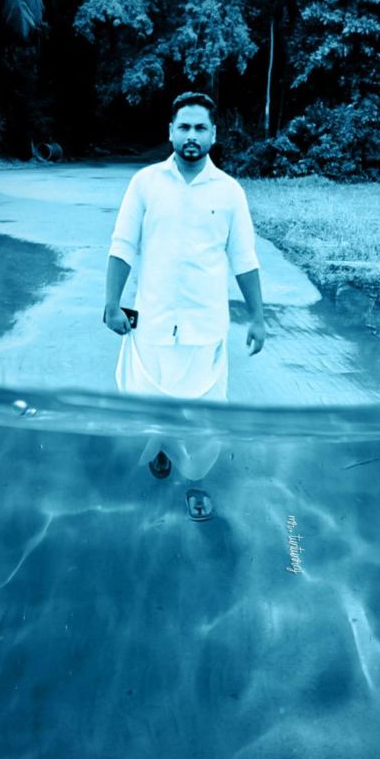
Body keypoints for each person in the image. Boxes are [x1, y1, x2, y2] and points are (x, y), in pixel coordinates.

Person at [104, 91, 265, 519]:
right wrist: (111, 303)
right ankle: (159, 448)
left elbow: (244, 259)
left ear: (213, 134)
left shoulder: (230, 192)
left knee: (203, 417)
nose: (191, 135)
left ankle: (196, 483)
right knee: (150, 404)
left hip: (204, 329)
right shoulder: (145, 183)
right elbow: (122, 245)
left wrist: (258, 317)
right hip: (152, 324)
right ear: (170, 131)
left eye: (200, 127)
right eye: (184, 127)